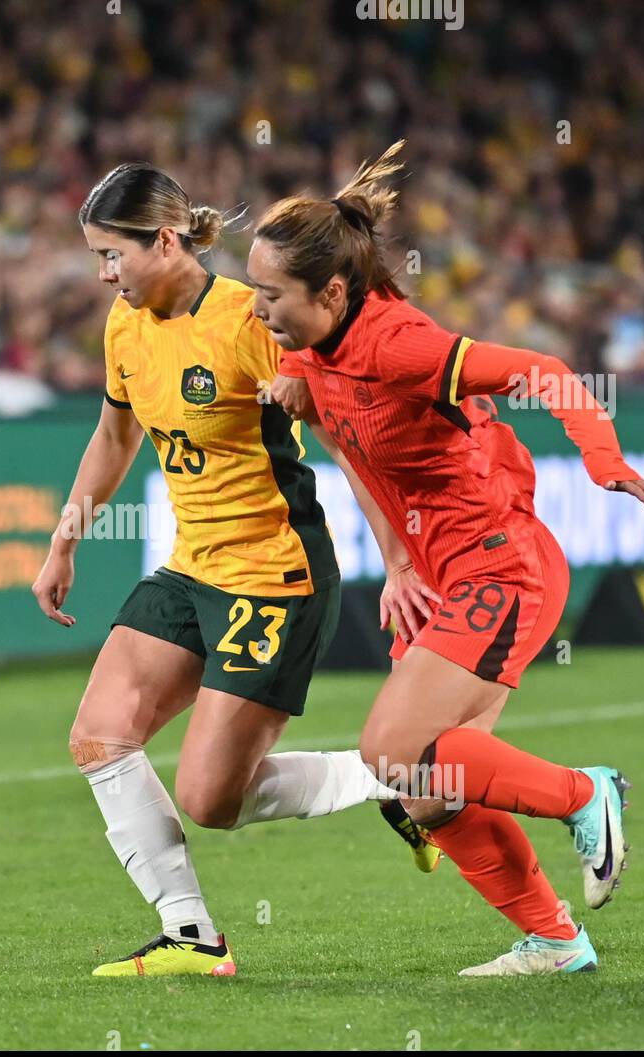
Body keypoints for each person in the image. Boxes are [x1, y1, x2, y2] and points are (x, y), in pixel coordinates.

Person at [252, 140, 644, 976]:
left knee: (389, 750)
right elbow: (351, 447)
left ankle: (587, 793)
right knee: (426, 790)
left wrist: (603, 457)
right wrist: (399, 561)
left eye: (270, 294)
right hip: (442, 574)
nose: (257, 308)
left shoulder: (399, 344)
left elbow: (545, 371)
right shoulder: (310, 345)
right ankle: (556, 942)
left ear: (332, 292)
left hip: (502, 564)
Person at [31, 163, 397, 978]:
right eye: (95, 257)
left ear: (164, 239)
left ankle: (395, 775)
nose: (103, 274)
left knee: (211, 800)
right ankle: (191, 935)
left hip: (275, 573)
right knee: (98, 735)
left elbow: (346, 432)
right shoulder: (125, 325)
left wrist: (399, 560)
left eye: (111, 254)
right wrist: (66, 538)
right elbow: (115, 437)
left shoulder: (248, 318)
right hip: (192, 567)